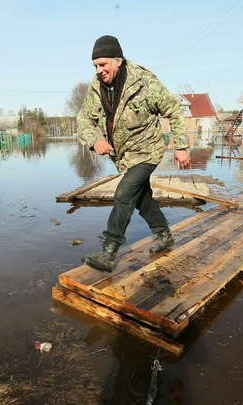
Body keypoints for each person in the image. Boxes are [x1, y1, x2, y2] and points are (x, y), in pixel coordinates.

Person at [77, 35, 190, 272]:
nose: (99, 70)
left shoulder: (144, 83)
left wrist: (180, 146)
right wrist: (95, 138)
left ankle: (108, 253)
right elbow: (83, 118)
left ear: (118, 60)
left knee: (124, 193)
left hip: (147, 151)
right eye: (95, 66)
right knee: (140, 197)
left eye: (103, 64)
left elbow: (174, 110)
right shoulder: (97, 87)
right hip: (124, 156)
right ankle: (165, 235)